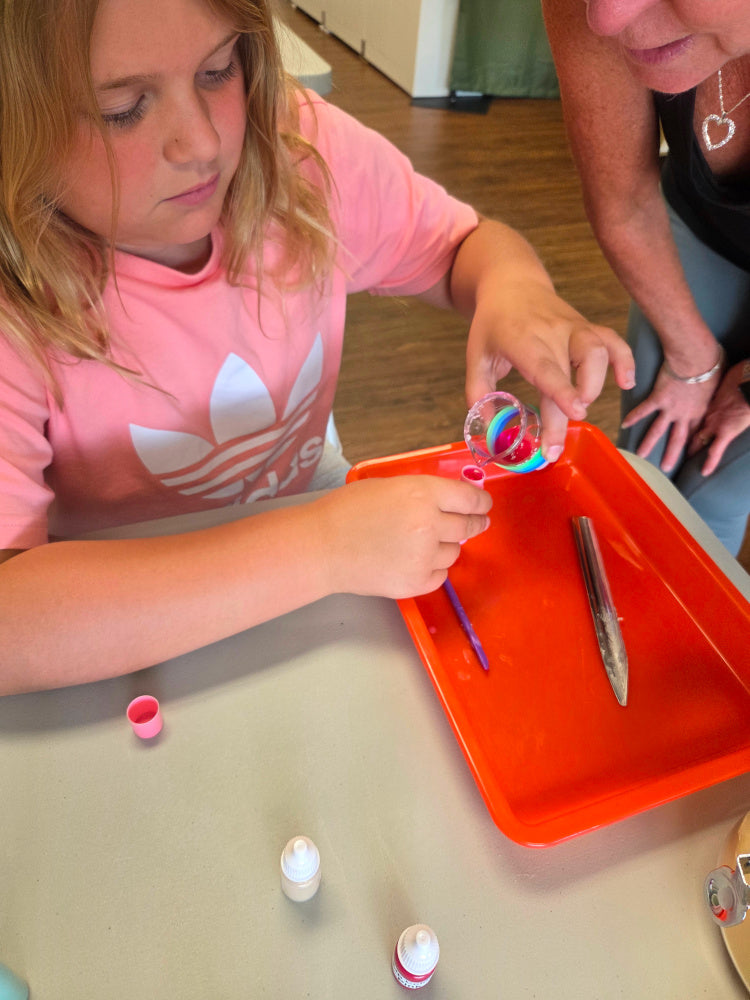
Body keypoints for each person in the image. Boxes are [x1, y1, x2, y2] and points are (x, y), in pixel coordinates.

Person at [0, 0, 633, 695]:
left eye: (217, 71)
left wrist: (513, 284)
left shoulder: (302, 152)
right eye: (123, 108)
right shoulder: (16, 307)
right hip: (114, 612)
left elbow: (460, 247)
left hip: (315, 534)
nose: (202, 143)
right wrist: (322, 547)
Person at [541, 0, 750, 556]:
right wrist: (694, 360)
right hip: (703, 230)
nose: (605, 19)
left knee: (720, 490)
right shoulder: (594, 10)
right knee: (648, 469)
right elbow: (624, 204)